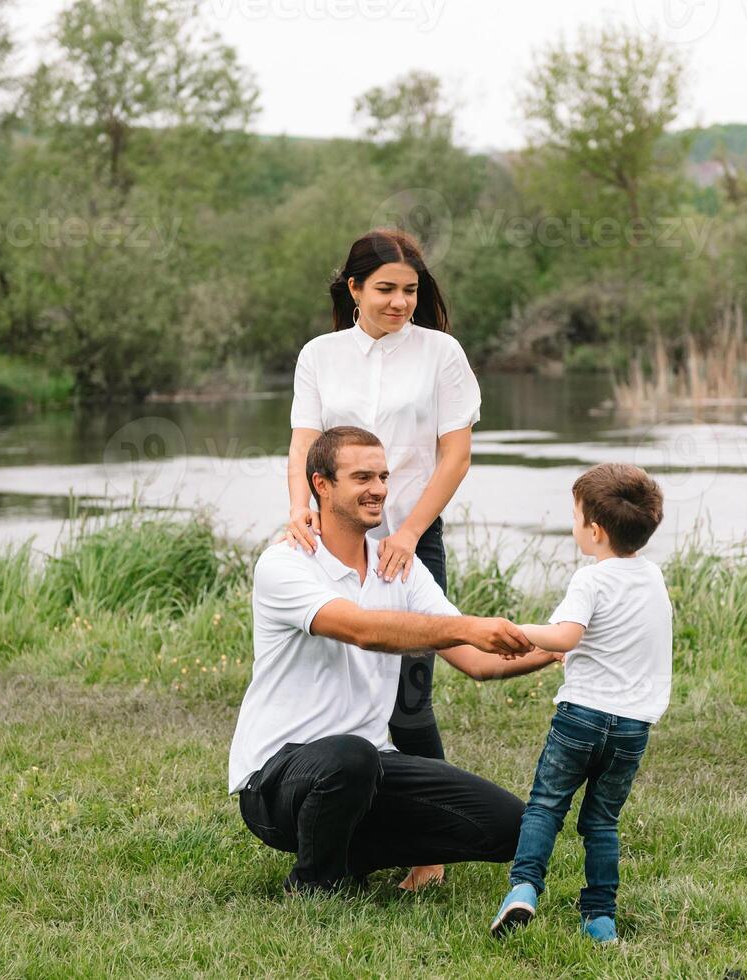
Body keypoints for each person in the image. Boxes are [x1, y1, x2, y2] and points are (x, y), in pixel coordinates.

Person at [234, 426, 562, 894]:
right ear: (321, 484)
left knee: (512, 826)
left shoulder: (399, 565)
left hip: (369, 767)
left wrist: (556, 649)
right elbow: (363, 630)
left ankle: (348, 856)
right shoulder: (284, 564)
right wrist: (468, 625)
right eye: (363, 477)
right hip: (277, 779)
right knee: (350, 756)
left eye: (384, 476)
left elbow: (477, 662)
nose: (380, 490)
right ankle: (315, 882)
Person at [284, 228, 481, 890]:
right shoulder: (320, 355)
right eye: (388, 290)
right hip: (331, 538)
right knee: (332, 697)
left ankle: (430, 850)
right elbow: (304, 444)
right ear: (354, 289)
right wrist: (300, 512)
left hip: (408, 539)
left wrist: (409, 531)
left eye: (411, 291)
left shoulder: (441, 354)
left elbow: (455, 455)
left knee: (408, 701)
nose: (401, 303)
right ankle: (342, 828)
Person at [489, 463, 672, 945]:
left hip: (581, 717)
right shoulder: (653, 578)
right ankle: (599, 918)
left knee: (546, 806)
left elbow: (565, 636)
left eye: (574, 517)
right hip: (633, 726)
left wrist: (517, 631)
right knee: (602, 821)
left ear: (593, 531)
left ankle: (524, 887)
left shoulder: (591, 581)